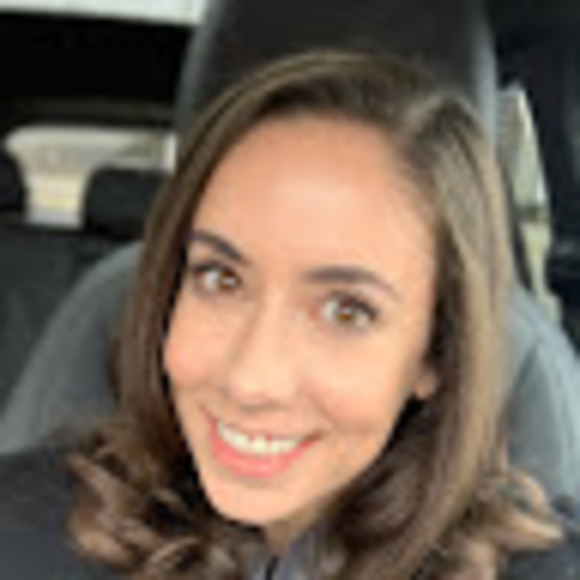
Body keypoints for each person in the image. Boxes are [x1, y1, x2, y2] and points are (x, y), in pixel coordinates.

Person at [0, 50, 577, 580]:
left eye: (346, 311)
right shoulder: (25, 532)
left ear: (437, 353)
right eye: (220, 279)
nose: (252, 381)